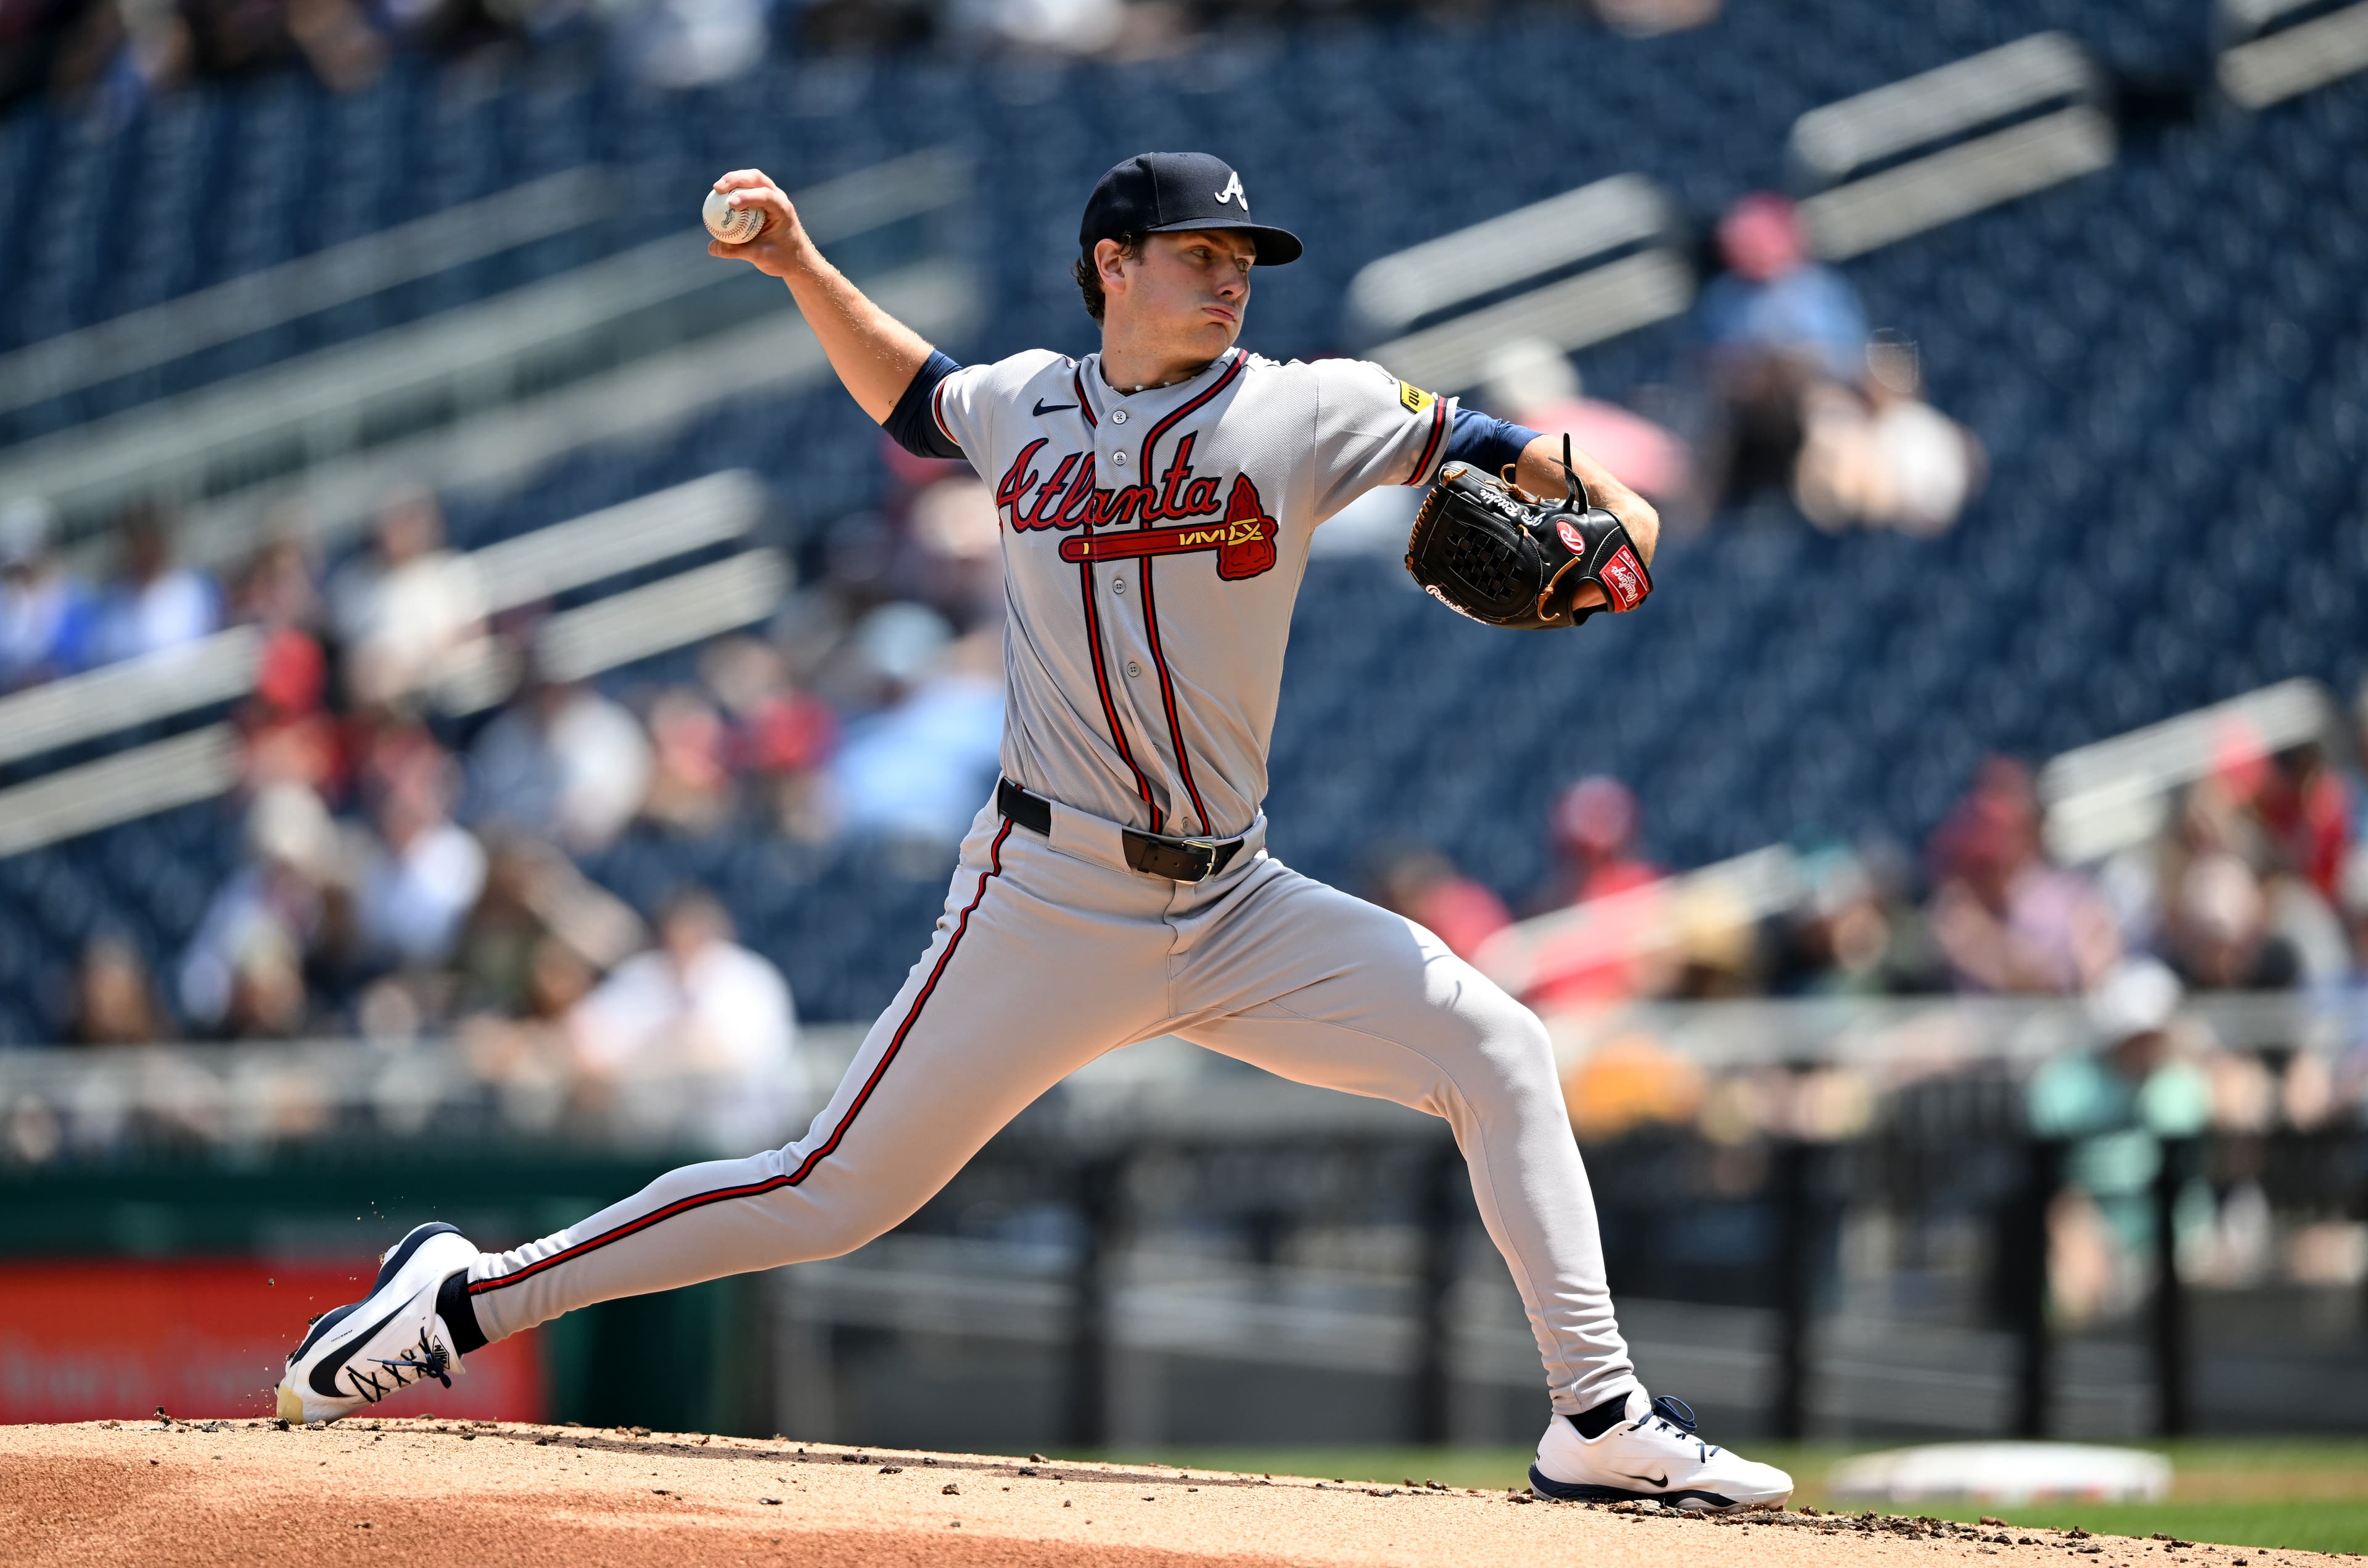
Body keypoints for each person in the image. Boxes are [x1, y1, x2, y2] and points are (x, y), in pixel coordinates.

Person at [272, 152, 1790, 1513]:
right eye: (1199, 252)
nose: (1229, 277)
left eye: (1243, 258)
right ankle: (466, 1297)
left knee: (1499, 1048)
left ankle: (1596, 1417)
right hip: (1048, 896)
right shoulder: (1025, 405)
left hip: (1239, 900)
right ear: (1111, 265)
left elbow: (1508, 449)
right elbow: (912, 392)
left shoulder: (1307, 403)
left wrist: (1607, 504)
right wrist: (801, 265)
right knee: (829, 1192)